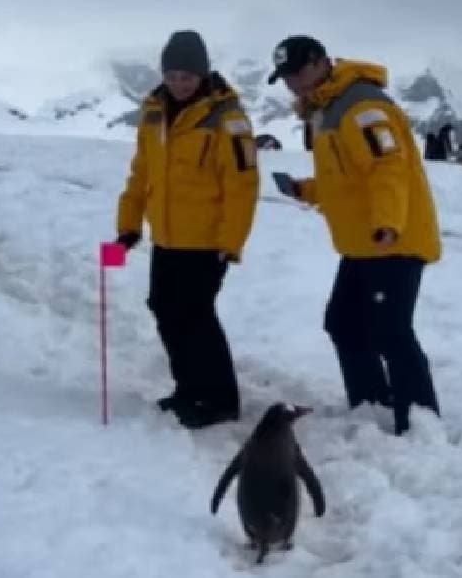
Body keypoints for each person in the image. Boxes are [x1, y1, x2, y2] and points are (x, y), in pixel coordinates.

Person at [266, 35, 442, 435]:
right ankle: (372, 406)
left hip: (392, 240)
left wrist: (388, 224)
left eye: (296, 73)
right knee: (344, 323)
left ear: (319, 63)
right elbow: (344, 179)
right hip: (364, 242)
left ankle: (421, 423)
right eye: (285, 77)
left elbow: (388, 169)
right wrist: (303, 189)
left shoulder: (361, 107)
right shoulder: (328, 108)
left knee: (391, 332)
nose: (291, 83)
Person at [115, 30, 260, 429]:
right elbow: (141, 174)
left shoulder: (227, 119)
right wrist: (128, 227)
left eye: (188, 77)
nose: (180, 84)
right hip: (167, 238)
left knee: (195, 316)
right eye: (172, 75)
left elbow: (242, 185)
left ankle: (220, 400)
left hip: (207, 242)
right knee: (164, 308)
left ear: (203, 74)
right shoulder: (154, 113)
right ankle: (189, 389)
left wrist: (231, 242)